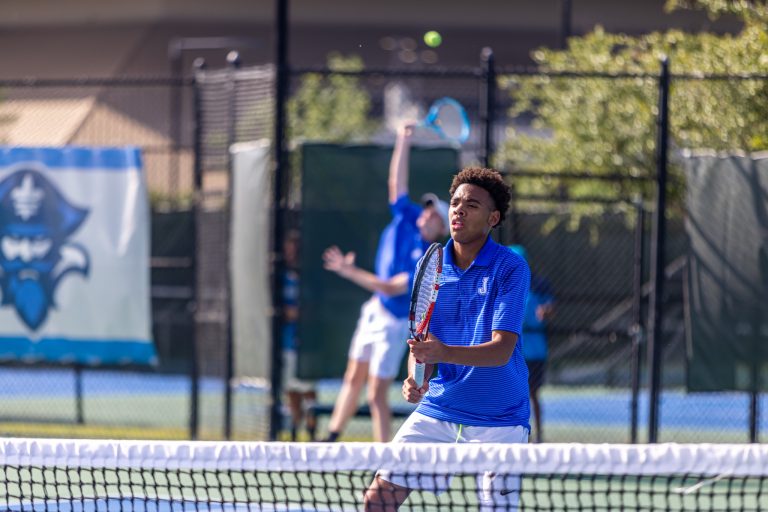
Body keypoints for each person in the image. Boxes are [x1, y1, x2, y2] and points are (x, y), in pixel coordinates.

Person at [364, 167, 530, 511]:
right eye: (455, 203)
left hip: (500, 418)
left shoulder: (511, 268)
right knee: (377, 501)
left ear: (493, 218)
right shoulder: (430, 267)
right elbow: (424, 344)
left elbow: (501, 351)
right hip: (439, 408)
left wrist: (443, 353)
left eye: (472, 205)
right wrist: (416, 377)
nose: (459, 210)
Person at [321, 123, 450, 443]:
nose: (427, 214)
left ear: (441, 229)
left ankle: (385, 453)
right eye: (428, 210)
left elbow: (391, 287)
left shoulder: (428, 259)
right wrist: (403, 141)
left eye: (435, 215)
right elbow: (397, 183)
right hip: (373, 311)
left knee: (376, 393)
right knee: (353, 376)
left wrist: (349, 271)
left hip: (393, 324)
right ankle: (331, 437)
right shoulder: (406, 218)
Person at [508, 244, 555, 444]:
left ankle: (538, 435)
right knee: (513, 394)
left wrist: (546, 311)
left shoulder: (539, 283)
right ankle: (518, 433)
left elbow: (550, 307)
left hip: (535, 349)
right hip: (511, 350)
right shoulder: (503, 283)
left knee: (533, 393)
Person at [282, 229, 318, 441]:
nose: (291, 254)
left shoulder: (311, 278)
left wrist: (301, 313)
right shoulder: (280, 277)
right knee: (291, 389)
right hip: (287, 343)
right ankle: (294, 432)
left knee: (308, 390)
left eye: (295, 250)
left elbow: (313, 309)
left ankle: (312, 434)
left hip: (308, 345)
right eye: (289, 250)